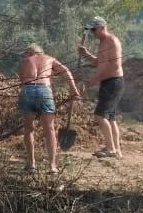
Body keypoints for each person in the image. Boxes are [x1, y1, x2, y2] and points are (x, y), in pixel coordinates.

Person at [18, 43, 81, 174]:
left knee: (28, 128)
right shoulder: (50, 58)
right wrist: (73, 89)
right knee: (49, 129)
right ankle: (52, 166)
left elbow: (22, 79)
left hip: (27, 90)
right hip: (44, 91)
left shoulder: (25, 61)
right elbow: (66, 71)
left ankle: (31, 164)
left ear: (30, 53)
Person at [78, 16, 124, 158]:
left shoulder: (112, 41)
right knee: (110, 117)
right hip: (108, 82)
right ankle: (116, 149)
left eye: (94, 29)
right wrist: (86, 55)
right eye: (91, 30)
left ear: (102, 27)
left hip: (113, 82)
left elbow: (114, 65)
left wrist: (95, 78)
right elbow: (99, 62)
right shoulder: (102, 43)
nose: (92, 32)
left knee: (100, 115)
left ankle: (111, 149)